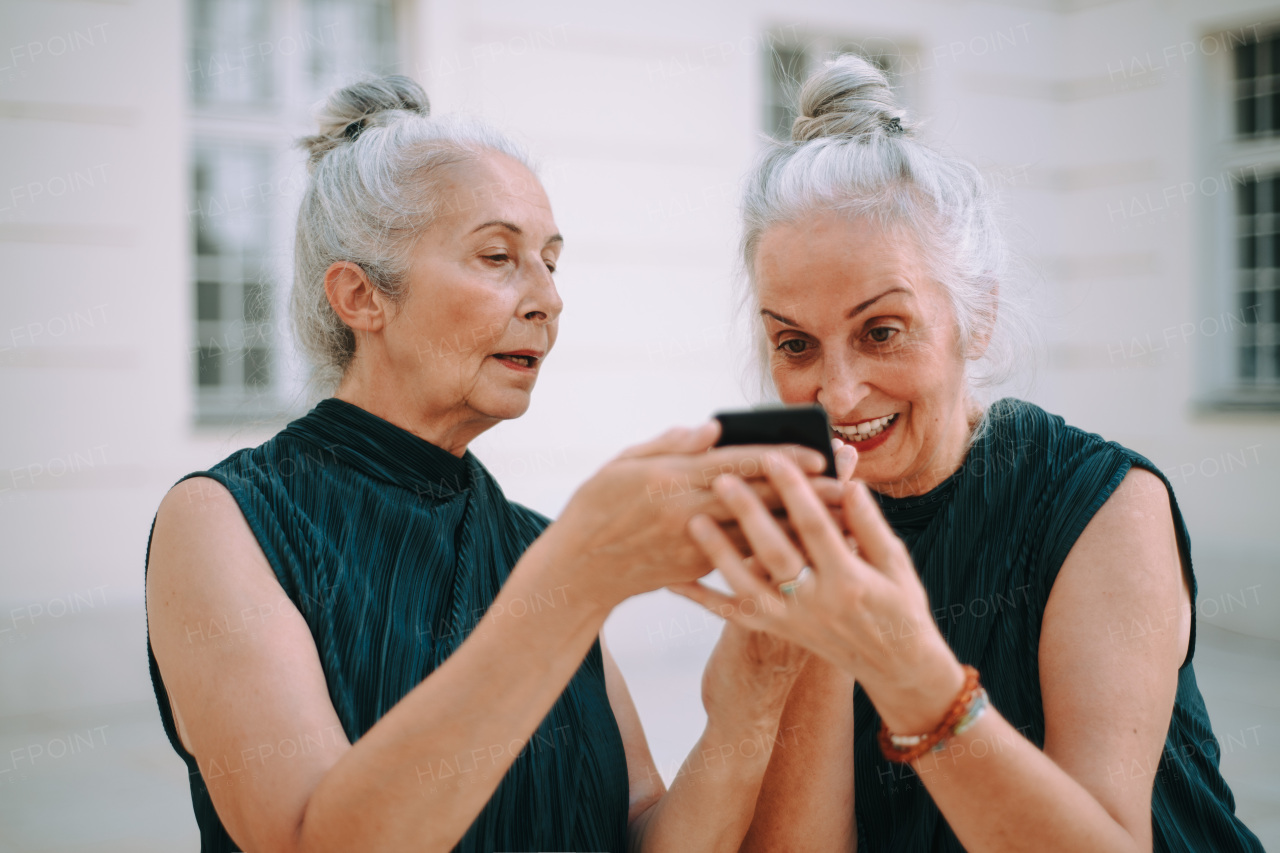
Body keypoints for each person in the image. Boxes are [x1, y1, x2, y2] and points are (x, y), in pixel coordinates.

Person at [144, 75, 855, 853]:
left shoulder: (532, 544)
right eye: (498, 256)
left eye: (551, 262)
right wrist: (578, 576)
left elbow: (646, 832)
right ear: (360, 296)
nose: (548, 298)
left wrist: (752, 692)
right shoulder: (228, 521)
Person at [673, 55, 1264, 852]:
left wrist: (901, 661)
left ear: (976, 316)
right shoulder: (802, 519)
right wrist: (815, 620)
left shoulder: (1102, 506)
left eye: (881, 331)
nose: (838, 395)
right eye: (796, 344)